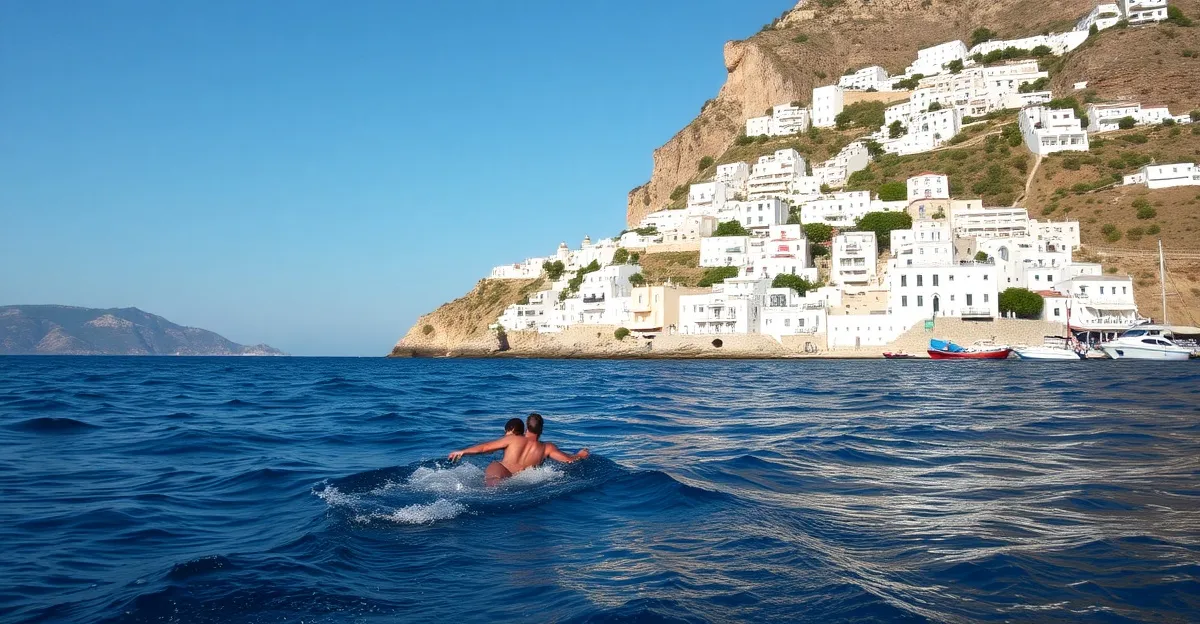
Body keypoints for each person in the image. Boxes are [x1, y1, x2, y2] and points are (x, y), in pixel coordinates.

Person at [448, 413, 589, 486]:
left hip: (500, 470)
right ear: (541, 430)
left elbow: (485, 448)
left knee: (492, 485)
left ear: (527, 428)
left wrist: (463, 451)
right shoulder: (547, 447)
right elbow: (568, 460)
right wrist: (580, 455)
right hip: (521, 479)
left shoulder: (513, 439)